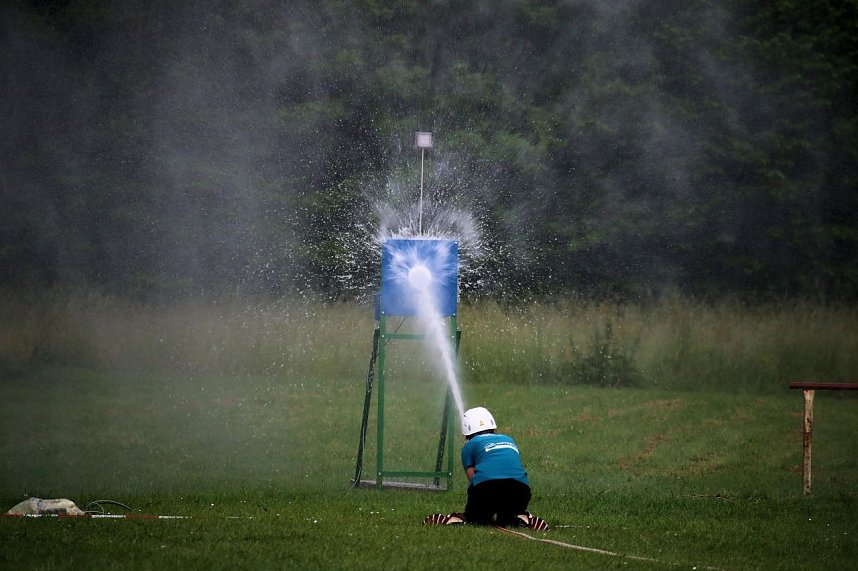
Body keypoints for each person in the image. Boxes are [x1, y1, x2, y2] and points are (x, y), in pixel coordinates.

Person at [424, 407, 548, 530]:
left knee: (476, 519)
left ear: (467, 430)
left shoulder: (469, 446)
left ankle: (455, 519)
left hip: (486, 489)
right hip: (520, 489)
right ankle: (523, 518)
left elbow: (473, 478)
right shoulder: (509, 439)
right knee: (507, 518)